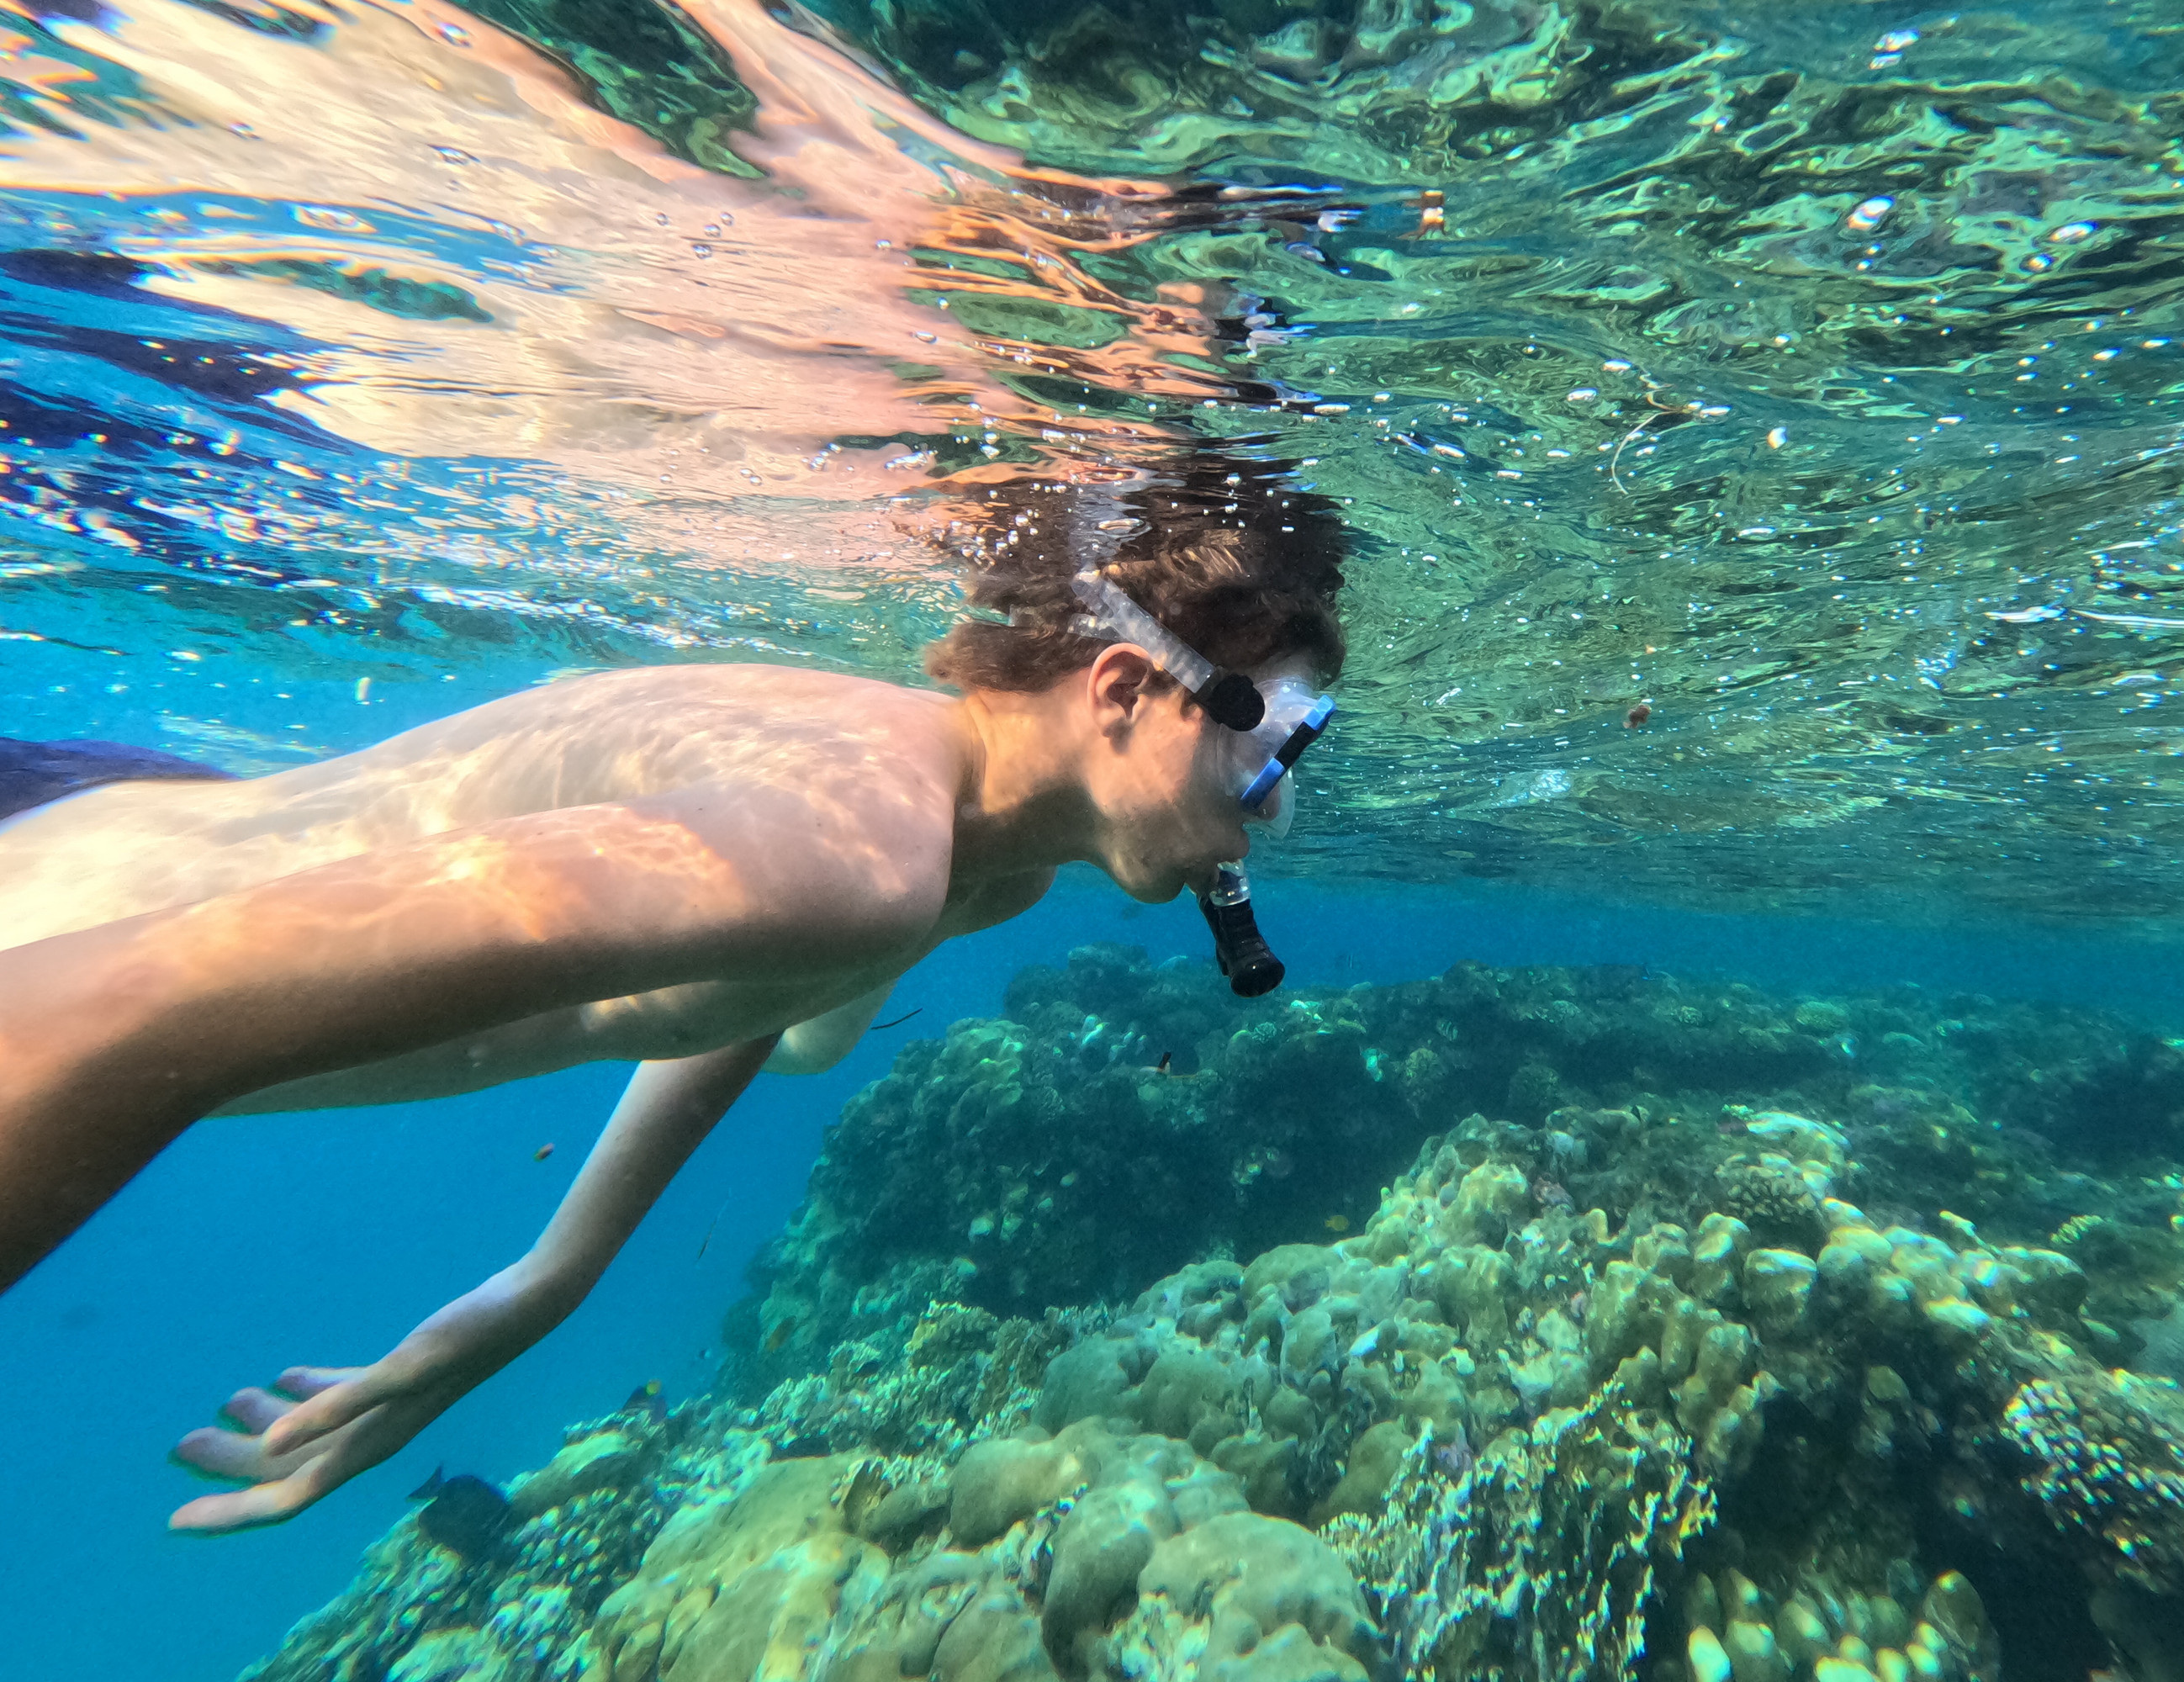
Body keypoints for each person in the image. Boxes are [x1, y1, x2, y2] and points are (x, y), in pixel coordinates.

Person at [0, 450, 1345, 1532]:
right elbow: (117, 1005)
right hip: (52, 897)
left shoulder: (967, 862)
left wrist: (548, 1279)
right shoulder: (864, 847)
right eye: (1270, 754)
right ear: (1123, 689)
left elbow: (756, 987)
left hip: (112, 824)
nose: (1271, 815)